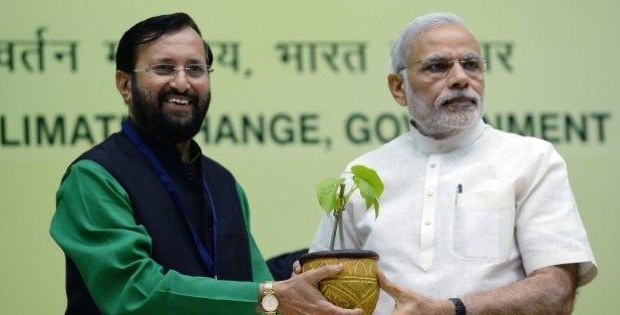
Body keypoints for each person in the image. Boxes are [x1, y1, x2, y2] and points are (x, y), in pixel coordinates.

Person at [49, 12, 362, 315]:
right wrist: (271, 295)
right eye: (164, 68)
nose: (182, 83)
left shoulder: (222, 182)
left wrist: (301, 286)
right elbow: (135, 294)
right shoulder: (94, 178)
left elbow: (259, 289)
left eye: (195, 69)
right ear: (125, 84)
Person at [307, 12, 597, 314]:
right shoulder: (363, 174)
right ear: (398, 88)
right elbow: (319, 290)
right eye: (438, 66)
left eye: (471, 64)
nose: (461, 78)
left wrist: (450, 310)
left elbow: (556, 292)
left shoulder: (532, 159)